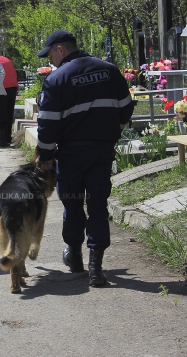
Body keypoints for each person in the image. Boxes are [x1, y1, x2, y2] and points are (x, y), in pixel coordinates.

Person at [34, 30, 134, 287]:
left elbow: (48, 123)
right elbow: (126, 107)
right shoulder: (110, 70)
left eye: (50, 56)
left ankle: (75, 258)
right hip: (102, 151)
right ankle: (95, 268)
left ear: (60, 50)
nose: (50, 62)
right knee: (98, 205)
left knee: (73, 204)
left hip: (71, 153)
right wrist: (113, 133)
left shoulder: (57, 79)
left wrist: (44, 156)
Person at [0, 49, 19, 145]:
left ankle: (2, 138)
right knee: (9, 112)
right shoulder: (5, 59)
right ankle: (8, 136)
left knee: (1, 114)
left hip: (3, 88)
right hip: (13, 87)